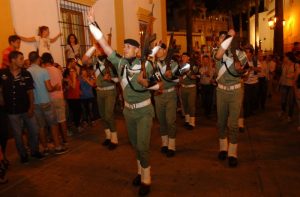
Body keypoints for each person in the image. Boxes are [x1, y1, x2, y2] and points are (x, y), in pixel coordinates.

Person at [87, 9, 162, 196]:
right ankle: (140, 171)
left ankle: (146, 178)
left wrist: (148, 84)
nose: (124, 48)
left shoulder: (147, 65)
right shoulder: (119, 63)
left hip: (144, 111)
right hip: (129, 112)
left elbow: (158, 86)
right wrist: (92, 23)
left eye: (128, 47)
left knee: (143, 146)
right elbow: (104, 44)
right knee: (136, 145)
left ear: (137, 50)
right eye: (124, 46)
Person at [0, 51, 43, 163]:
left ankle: (34, 150)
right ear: (13, 60)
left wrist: (31, 107)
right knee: (17, 135)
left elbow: (30, 92)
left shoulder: (26, 73)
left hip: (26, 109)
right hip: (12, 111)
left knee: (34, 130)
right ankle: (23, 155)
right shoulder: (2, 73)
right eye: (20, 58)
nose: (23, 60)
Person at [213, 30, 244, 167]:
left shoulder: (240, 54)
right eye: (221, 37)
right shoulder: (216, 52)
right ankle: (223, 148)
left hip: (236, 91)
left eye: (225, 37)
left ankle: (232, 153)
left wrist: (240, 68)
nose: (222, 39)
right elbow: (220, 55)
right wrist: (229, 37)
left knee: (233, 124)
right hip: (221, 91)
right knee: (221, 122)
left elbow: (245, 70)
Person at [27, 51, 68, 155]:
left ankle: (45, 148)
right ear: (38, 59)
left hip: (35, 103)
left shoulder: (27, 72)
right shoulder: (42, 71)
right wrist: (56, 87)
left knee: (41, 126)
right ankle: (58, 146)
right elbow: (49, 88)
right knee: (53, 125)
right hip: (46, 101)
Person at [152, 43, 179, 157]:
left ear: (164, 50)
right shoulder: (153, 65)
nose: (157, 51)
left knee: (170, 121)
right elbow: (150, 79)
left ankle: (172, 146)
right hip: (158, 95)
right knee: (162, 121)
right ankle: (164, 143)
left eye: (159, 49)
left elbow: (178, 80)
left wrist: (171, 75)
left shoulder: (174, 64)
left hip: (170, 94)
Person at [42, 53, 69, 146]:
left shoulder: (43, 71)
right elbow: (61, 82)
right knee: (62, 119)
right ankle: (65, 140)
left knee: (53, 123)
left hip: (49, 98)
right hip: (60, 97)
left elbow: (45, 86)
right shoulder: (57, 70)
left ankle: (56, 141)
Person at [180, 52, 197, 130]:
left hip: (191, 88)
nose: (183, 58)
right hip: (183, 87)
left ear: (188, 58)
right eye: (182, 56)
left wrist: (190, 73)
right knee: (185, 105)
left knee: (191, 105)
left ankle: (192, 123)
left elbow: (195, 75)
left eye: (185, 56)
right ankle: (187, 121)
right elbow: (178, 76)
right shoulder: (180, 66)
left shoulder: (192, 66)